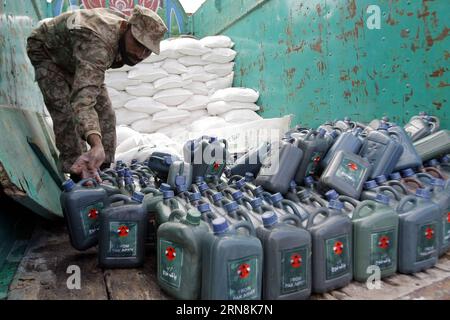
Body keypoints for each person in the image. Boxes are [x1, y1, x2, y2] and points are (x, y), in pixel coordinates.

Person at [26, 5, 167, 183]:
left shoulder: (119, 35)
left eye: (148, 50)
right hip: (47, 52)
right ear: (125, 28)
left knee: (106, 114)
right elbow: (83, 102)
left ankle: (103, 171)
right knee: (67, 115)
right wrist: (96, 144)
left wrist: (100, 147)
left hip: (76, 56)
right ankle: (78, 175)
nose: (141, 54)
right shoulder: (99, 44)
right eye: (138, 43)